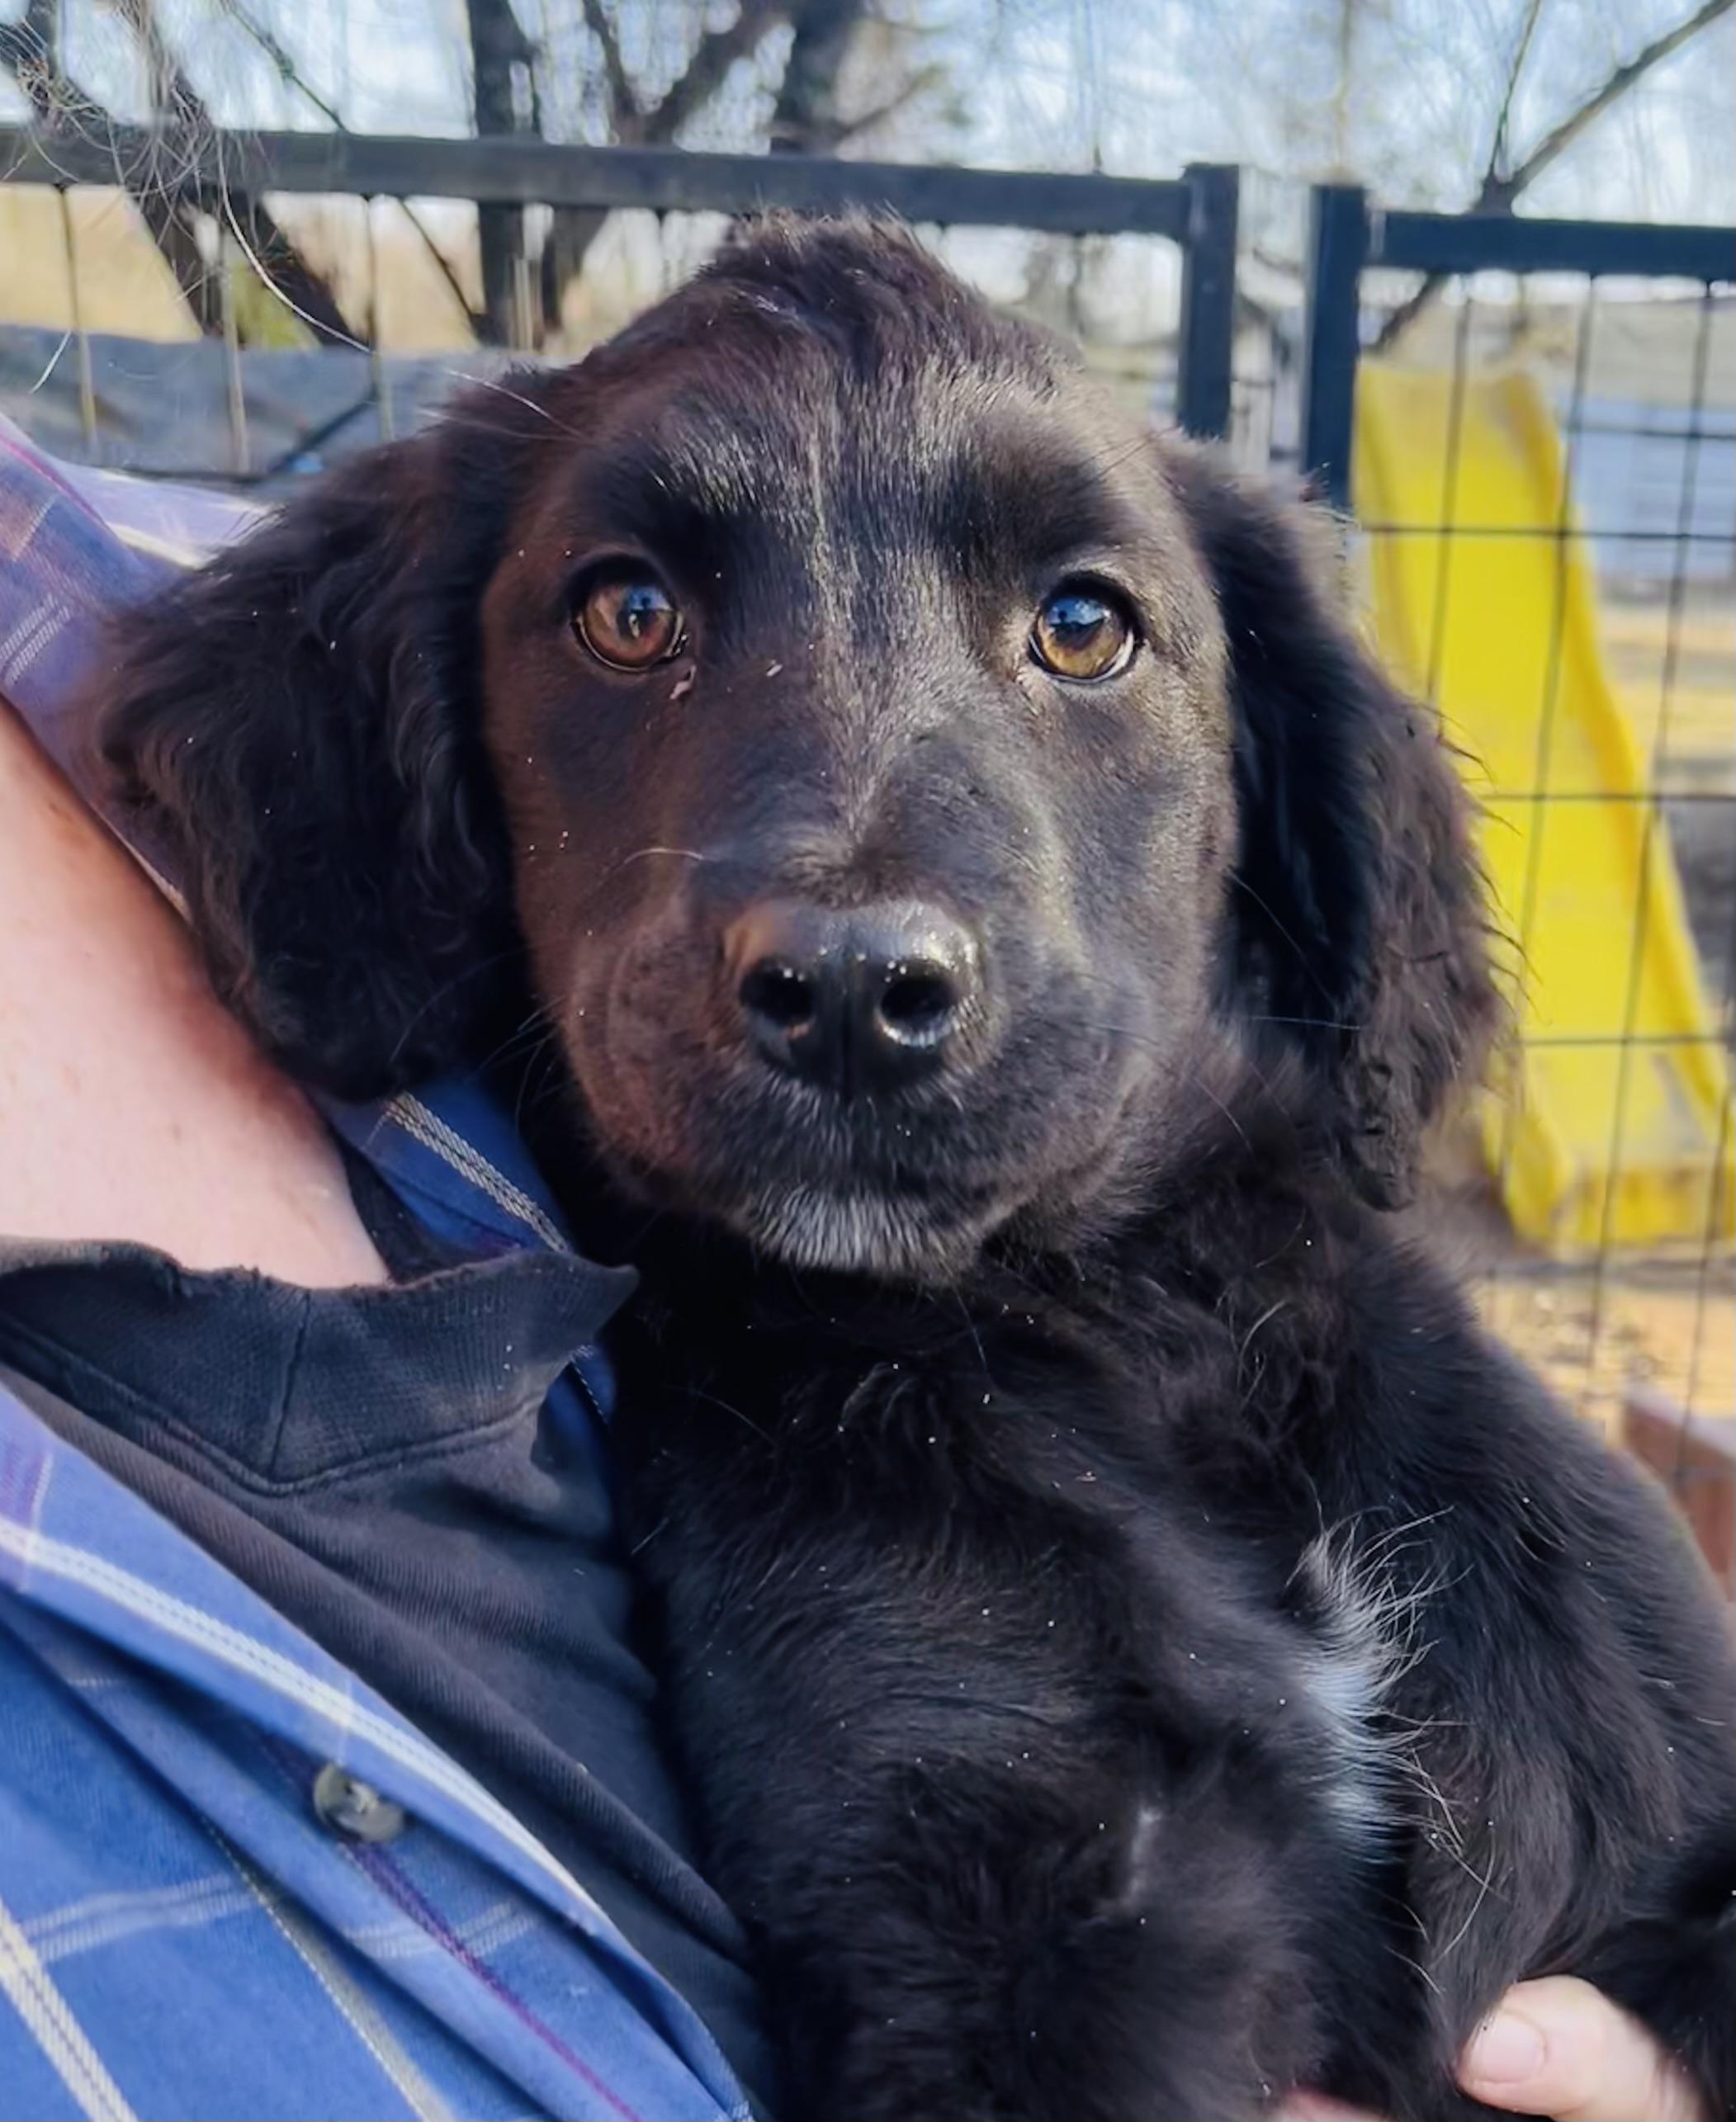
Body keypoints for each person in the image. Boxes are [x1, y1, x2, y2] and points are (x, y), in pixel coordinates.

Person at [0, 414, 1703, 2122]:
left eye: (1081, 627)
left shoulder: (1446, 1425)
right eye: (632, 616)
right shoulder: (794, 1503)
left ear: (1268, 787)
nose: (848, 923)